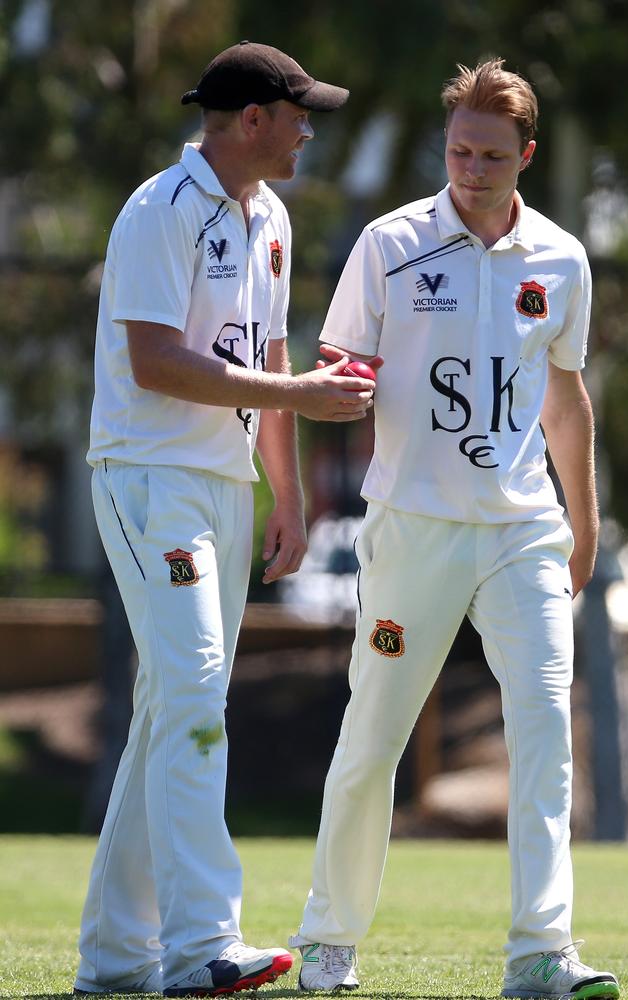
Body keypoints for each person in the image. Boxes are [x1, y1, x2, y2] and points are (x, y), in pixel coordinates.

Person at [289, 59, 621, 1000]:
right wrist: (319, 428)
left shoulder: (561, 257)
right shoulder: (389, 244)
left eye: (490, 155)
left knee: (547, 731)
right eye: (458, 150)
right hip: (411, 531)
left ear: (526, 154)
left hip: (524, 531)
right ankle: (328, 940)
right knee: (374, 735)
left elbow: (566, 398)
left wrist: (582, 524)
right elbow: (337, 372)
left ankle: (540, 953)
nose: (471, 168)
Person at [74, 41, 375, 999]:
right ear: (253, 119)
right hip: (149, 476)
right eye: (299, 114)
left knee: (171, 709)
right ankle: (203, 942)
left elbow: (269, 351)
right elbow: (157, 362)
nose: (307, 131)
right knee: (196, 693)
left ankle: (114, 959)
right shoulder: (157, 211)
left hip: (220, 485)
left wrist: (284, 496)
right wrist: (295, 392)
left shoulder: (272, 215)